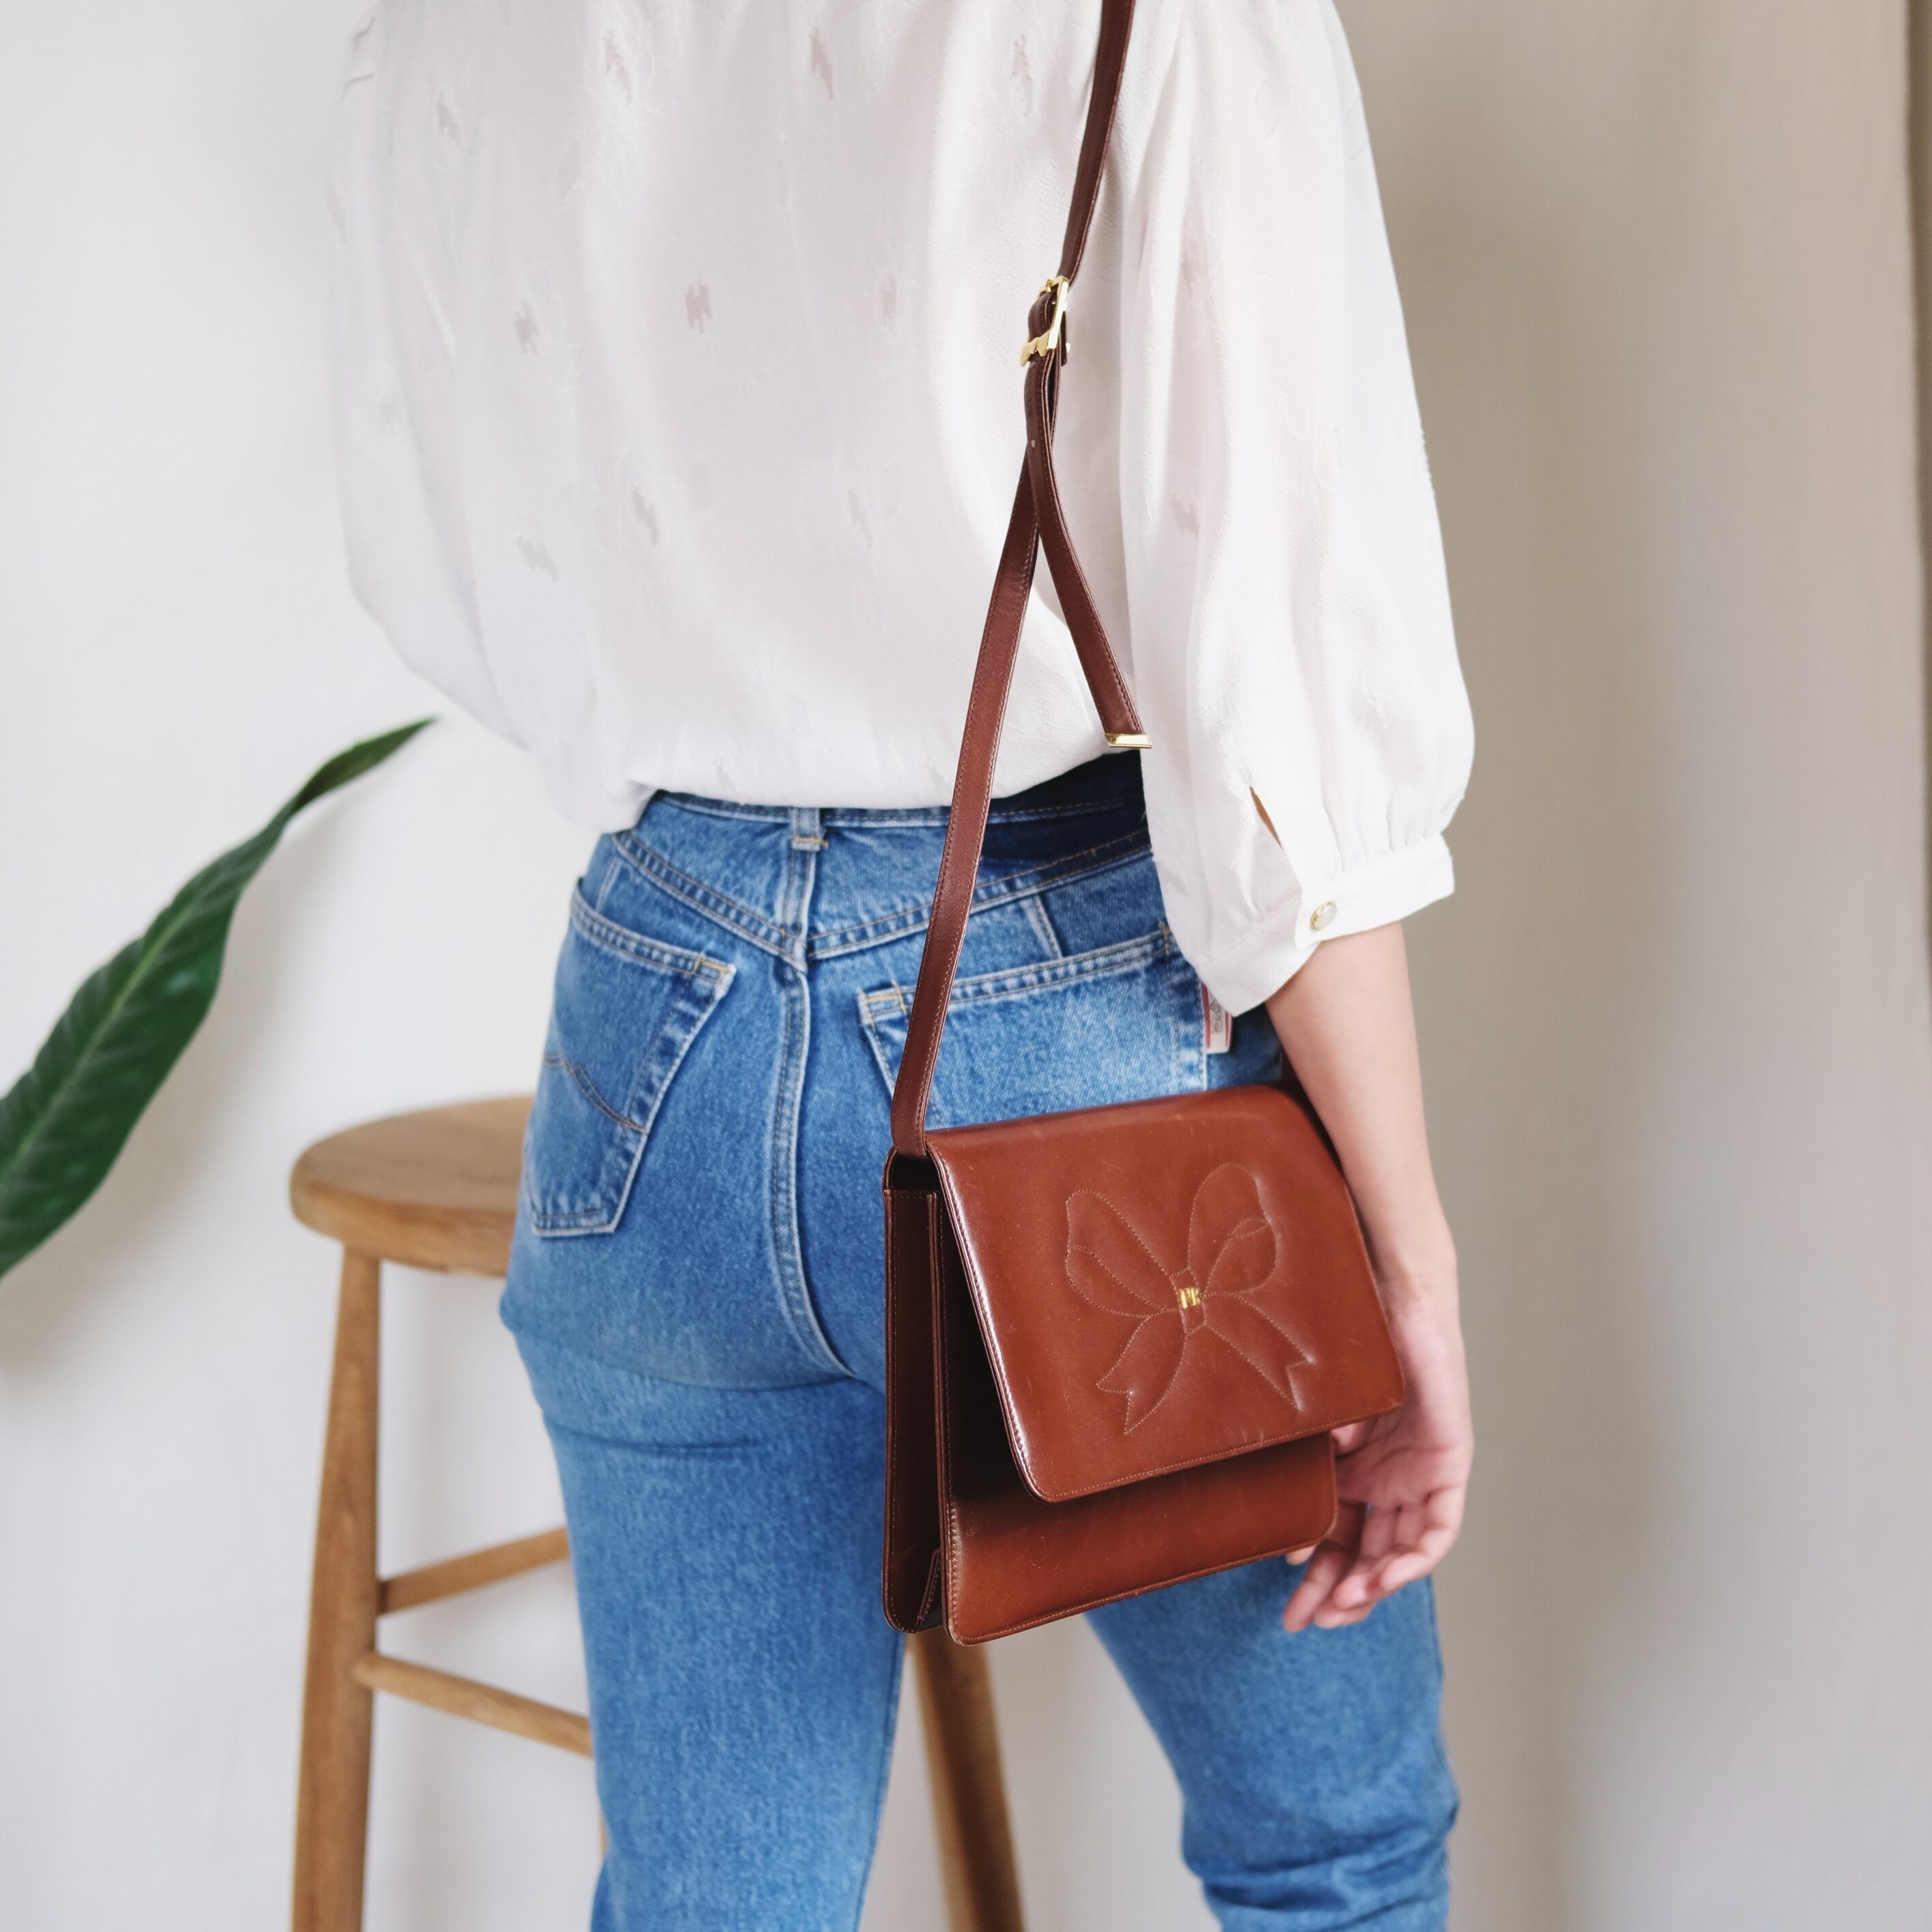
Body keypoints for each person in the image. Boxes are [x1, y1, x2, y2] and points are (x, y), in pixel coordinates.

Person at [331, 3, 1476, 1926]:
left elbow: (439, 553)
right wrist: (1411, 1269)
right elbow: (1287, 746)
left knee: (714, 1903)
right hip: (1071, 1015)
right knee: (1332, 1857)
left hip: (655, 996)